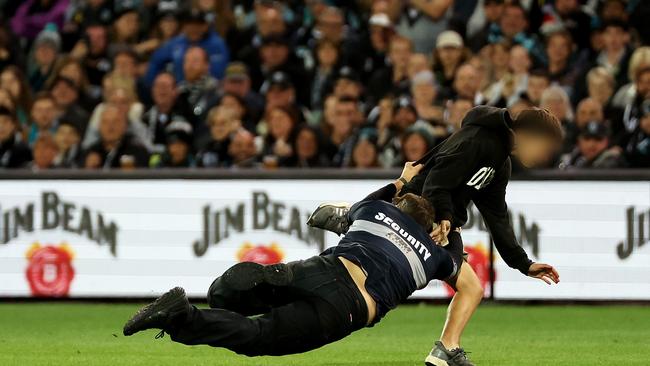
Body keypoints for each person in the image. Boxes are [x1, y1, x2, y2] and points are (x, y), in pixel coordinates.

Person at [123, 162, 468, 358]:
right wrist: (449, 226)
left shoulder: (375, 210)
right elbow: (458, 262)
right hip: (349, 305)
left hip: (327, 268)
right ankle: (182, 317)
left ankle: (249, 287)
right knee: (260, 335)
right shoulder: (433, 256)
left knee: (226, 297)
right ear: (428, 230)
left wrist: (402, 180)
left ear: (396, 207)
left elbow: (369, 199)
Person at [312, 106, 564, 366]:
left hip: (440, 222)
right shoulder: (479, 141)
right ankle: (351, 215)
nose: (546, 154)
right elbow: (436, 180)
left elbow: (497, 217)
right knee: (378, 279)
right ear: (529, 135)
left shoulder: (501, 164)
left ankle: (446, 349)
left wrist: (523, 263)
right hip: (414, 212)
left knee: (471, 288)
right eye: (545, 146)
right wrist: (443, 217)